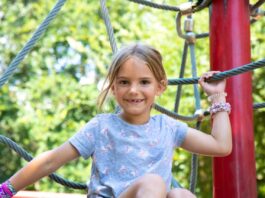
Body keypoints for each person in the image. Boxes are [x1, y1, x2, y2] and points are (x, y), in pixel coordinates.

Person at [0, 43, 232, 198]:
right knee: (153, 183)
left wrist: (216, 96)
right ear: (113, 87)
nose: (133, 90)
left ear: (160, 86)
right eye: (124, 82)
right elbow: (51, 161)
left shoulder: (168, 128)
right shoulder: (102, 127)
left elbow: (221, 146)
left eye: (144, 82)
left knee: (181, 194)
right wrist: (7, 190)